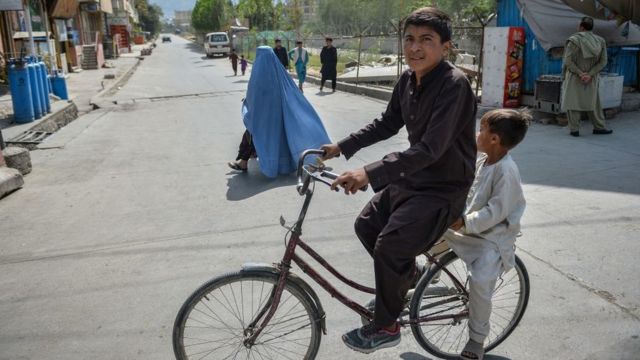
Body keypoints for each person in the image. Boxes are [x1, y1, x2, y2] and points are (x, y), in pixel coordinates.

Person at [321, 7, 477, 354]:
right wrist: (341, 147)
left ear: (446, 47)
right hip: (413, 179)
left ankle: (388, 326)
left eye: (426, 40)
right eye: (409, 39)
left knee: (389, 247)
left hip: (443, 188)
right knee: (366, 225)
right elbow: (387, 123)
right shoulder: (408, 79)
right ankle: (409, 277)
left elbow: (430, 149)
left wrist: (369, 172)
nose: (415, 48)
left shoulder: (455, 85)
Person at [443, 108, 529, 360]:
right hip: (466, 228)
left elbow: (495, 212)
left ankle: (477, 339)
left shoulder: (506, 171)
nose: (477, 134)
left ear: (494, 139)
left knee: (481, 283)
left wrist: (464, 222)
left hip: (490, 239)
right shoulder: (483, 161)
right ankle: (415, 278)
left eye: (482, 129)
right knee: (424, 231)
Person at [227, 46, 330, 177]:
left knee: (253, 134)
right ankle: (316, 158)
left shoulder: (259, 75)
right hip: (281, 116)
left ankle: (243, 162)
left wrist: (248, 103)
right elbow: (291, 92)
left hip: (263, 117)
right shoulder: (279, 73)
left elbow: (254, 95)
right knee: (293, 136)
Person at [561, 16, 612, 137]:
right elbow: (603, 62)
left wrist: (580, 73)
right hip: (592, 77)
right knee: (594, 102)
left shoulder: (574, 40)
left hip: (575, 76)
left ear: (581, 27)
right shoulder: (600, 41)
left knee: (573, 102)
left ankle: (574, 130)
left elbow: (567, 61)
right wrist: (589, 74)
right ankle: (599, 127)